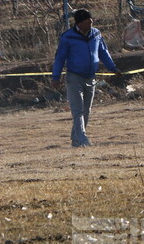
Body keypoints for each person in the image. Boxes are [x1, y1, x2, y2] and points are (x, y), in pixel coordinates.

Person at [51, 8, 121, 147]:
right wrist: (55, 76)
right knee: (78, 110)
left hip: (91, 78)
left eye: (91, 20)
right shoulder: (68, 37)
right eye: (87, 21)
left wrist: (113, 68)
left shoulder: (96, 34)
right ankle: (83, 139)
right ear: (79, 23)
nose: (91, 22)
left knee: (86, 111)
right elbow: (60, 58)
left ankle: (76, 140)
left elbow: (103, 53)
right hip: (74, 77)